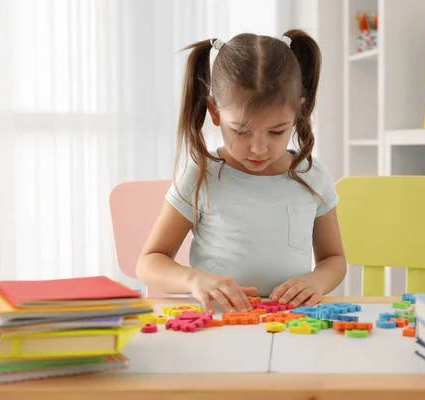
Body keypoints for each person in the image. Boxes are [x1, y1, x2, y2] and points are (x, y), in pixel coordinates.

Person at [136, 29, 347, 315]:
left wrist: (317, 281)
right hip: (220, 326)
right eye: (241, 131)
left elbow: (333, 258)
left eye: (276, 131)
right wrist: (193, 278)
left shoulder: (312, 176)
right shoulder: (201, 177)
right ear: (214, 111)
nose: (258, 149)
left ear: (298, 112)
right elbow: (150, 261)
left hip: (290, 325)